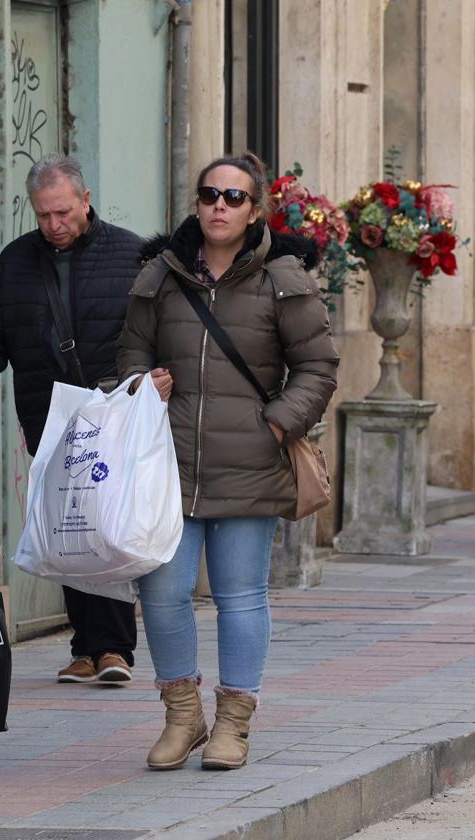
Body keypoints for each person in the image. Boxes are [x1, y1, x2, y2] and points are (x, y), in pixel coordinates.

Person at [117, 152, 338, 770]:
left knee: (241, 597)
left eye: (234, 197)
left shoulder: (283, 278)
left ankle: (233, 725)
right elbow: (129, 351)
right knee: (162, 594)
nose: (220, 205)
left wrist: (277, 422)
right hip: (169, 464)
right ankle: (183, 718)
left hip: (251, 461)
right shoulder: (159, 277)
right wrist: (142, 385)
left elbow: (318, 367)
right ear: (196, 204)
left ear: (255, 210)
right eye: (210, 194)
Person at [0, 154, 142, 684]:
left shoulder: (129, 253)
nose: (55, 225)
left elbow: (156, 330)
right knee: (69, 526)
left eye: (63, 212)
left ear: (85, 201)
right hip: (48, 414)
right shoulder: (18, 260)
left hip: (111, 414)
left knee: (103, 523)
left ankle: (113, 648)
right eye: (44, 216)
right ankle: (85, 648)